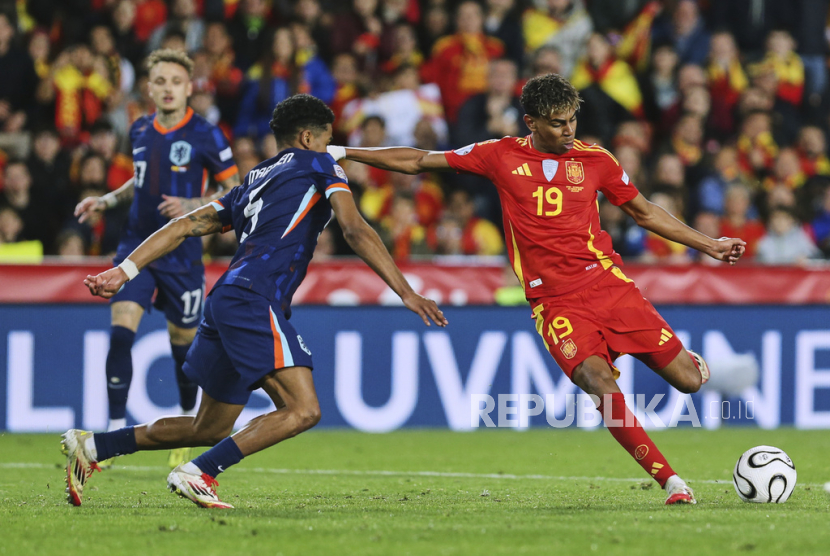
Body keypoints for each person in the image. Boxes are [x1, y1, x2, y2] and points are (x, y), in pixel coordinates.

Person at [327, 73, 746, 505]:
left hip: (610, 288)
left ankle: (690, 362)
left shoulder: (596, 159)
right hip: (555, 302)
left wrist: (709, 244)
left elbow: (644, 212)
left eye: (572, 120)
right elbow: (418, 160)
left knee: (690, 383)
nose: (569, 130)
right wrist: (341, 151)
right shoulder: (500, 155)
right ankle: (672, 482)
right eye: (557, 122)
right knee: (598, 382)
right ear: (531, 122)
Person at [62, 94, 446, 509]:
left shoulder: (253, 179)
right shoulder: (318, 164)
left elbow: (183, 224)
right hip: (254, 297)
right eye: (327, 140)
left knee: (209, 425)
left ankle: (95, 445)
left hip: (227, 297)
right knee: (303, 410)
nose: (331, 148)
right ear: (307, 137)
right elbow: (353, 229)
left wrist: (125, 270)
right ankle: (198, 472)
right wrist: (406, 291)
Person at [73, 49, 241, 470]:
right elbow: (141, 178)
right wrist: (106, 199)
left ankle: (186, 424)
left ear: (189, 88)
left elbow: (233, 188)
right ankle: (111, 427)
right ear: (149, 88)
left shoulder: (207, 134)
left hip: (183, 254)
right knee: (120, 334)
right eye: (160, 82)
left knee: (183, 353)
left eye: (176, 82)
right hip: (135, 246)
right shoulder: (140, 128)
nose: (168, 89)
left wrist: (192, 202)